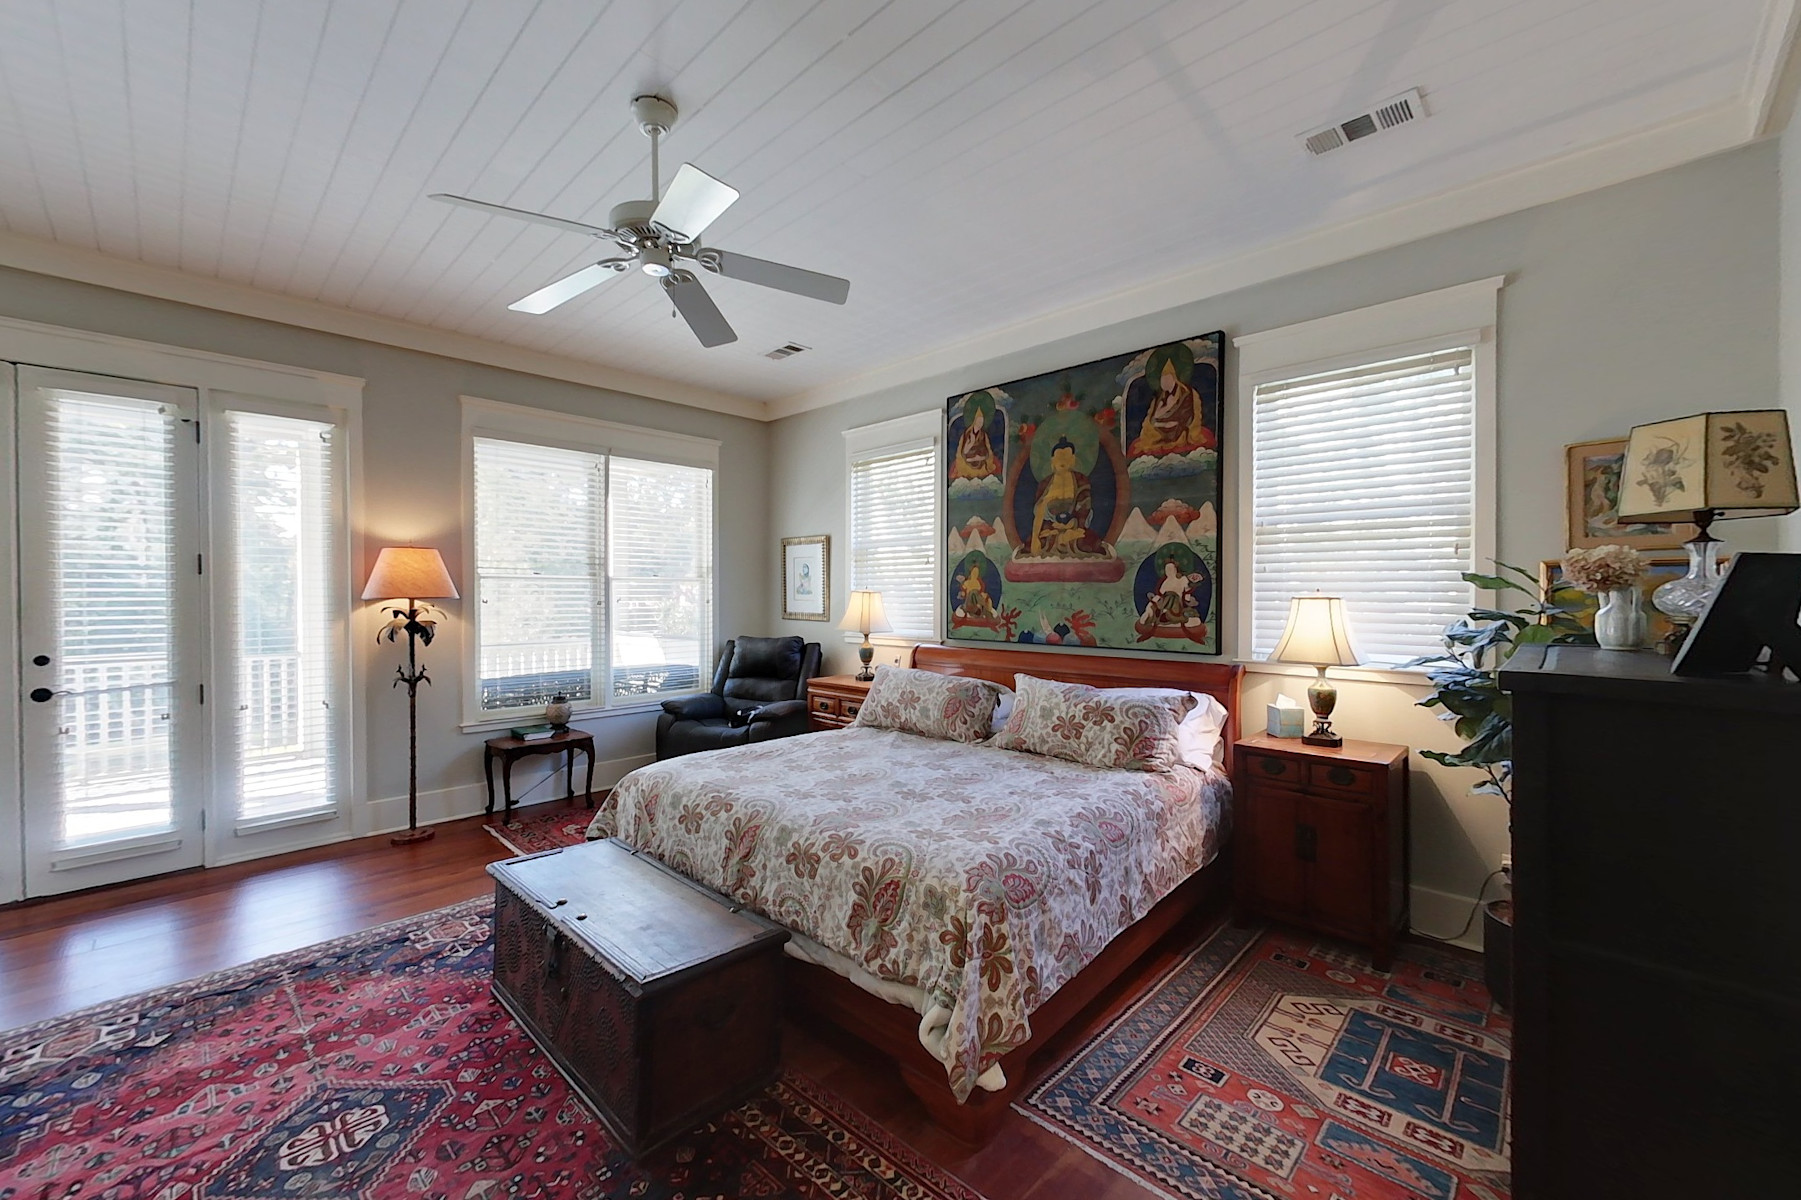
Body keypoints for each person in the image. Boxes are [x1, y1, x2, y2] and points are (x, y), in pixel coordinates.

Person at [1129, 345, 1213, 457]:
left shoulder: (1187, 393)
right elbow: (1153, 418)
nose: (1164, 382)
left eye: (1166, 377)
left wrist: (1173, 420)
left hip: (1179, 427)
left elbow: (1189, 414)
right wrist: (1164, 410)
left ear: (1174, 377)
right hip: (1161, 428)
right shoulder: (1159, 398)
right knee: (1144, 441)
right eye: (1162, 378)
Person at [1029, 438, 1106, 557]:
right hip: (1051, 528)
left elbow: (1084, 508)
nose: (1063, 460)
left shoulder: (1080, 480)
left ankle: (1064, 540)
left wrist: (1073, 526)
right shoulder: (1045, 484)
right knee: (1037, 544)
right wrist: (1035, 538)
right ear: (1053, 460)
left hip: (1075, 528)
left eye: (1067, 456)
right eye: (1059, 456)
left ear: (1073, 460)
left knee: (1088, 542)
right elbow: (1039, 513)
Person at [1140, 555, 1205, 628]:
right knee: (1151, 607)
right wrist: (1154, 599)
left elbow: (1187, 595)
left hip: (1176, 602)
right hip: (1164, 600)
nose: (1170, 571)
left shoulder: (1184, 581)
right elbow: (1160, 594)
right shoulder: (1166, 582)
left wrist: (1188, 600)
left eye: (1172, 569)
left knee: (1173, 600)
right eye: (1168, 569)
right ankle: (1151, 615)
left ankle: (1167, 617)